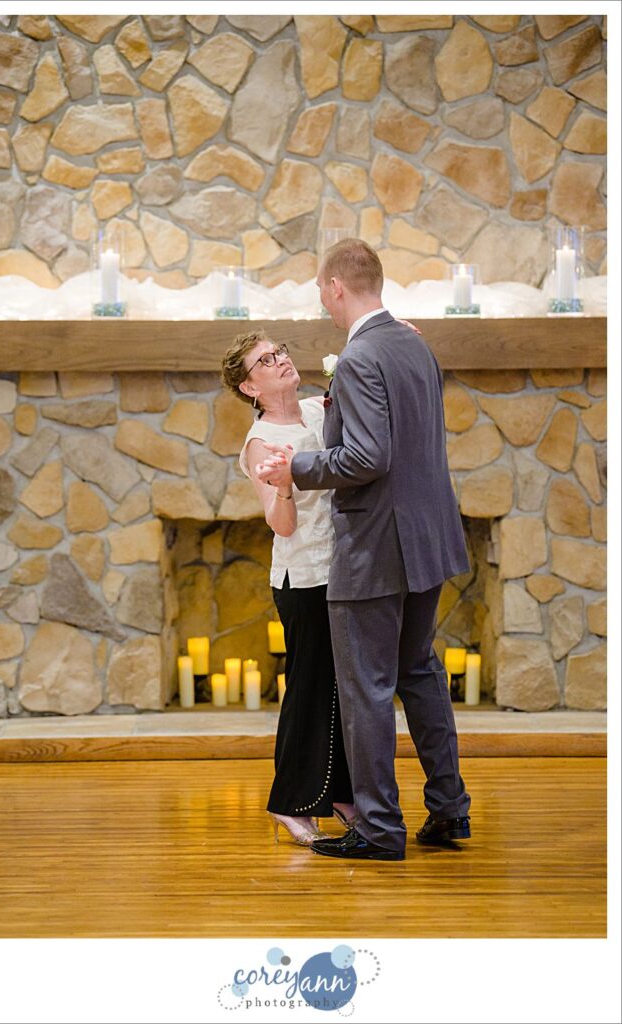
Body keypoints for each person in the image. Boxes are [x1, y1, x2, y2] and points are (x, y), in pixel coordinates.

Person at [257, 238, 472, 861]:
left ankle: (378, 830)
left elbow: (367, 458)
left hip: (377, 546)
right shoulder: (414, 344)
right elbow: (400, 441)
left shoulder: (356, 359)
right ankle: (449, 811)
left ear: (334, 288)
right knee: (420, 674)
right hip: (428, 540)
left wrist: (296, 466)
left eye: (321, 293)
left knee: (369, 690)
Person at [220, 331, 355, 847]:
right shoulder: (261, 442)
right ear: (250, 386)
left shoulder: (317, 409)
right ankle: (291, 802)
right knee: (310, 688)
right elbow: (281, 525)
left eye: (280, 352)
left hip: (342, 569)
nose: (281, 361)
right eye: (266, 361)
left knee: (344, 689)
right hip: (303, 578)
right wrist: (282, 490)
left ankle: (341, 793)